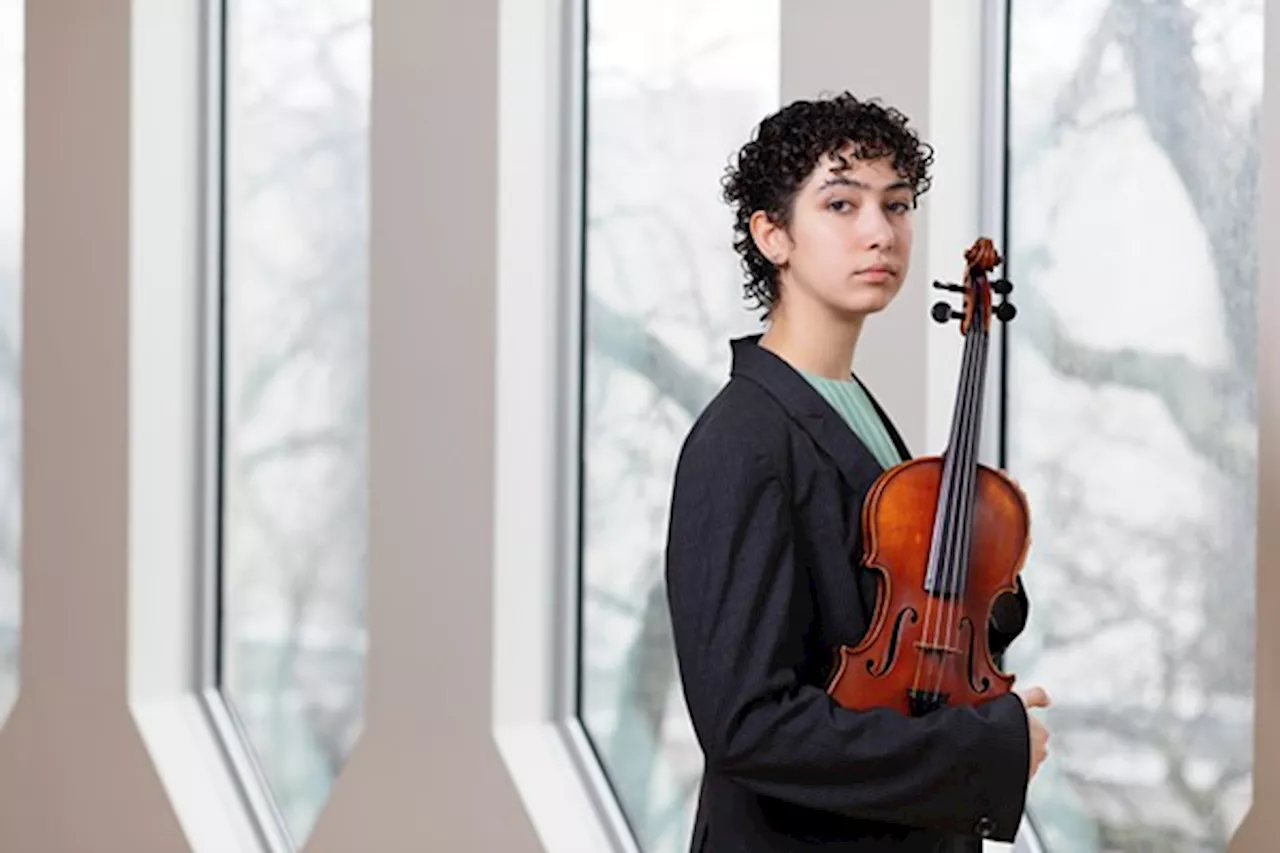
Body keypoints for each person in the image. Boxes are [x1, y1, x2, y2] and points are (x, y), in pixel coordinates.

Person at [663, 92, 1051, 852]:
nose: (880, 232)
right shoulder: (740, 440)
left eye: (897, 205)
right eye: (841, 203)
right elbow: (748, 725)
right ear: (772, 235)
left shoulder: (851, 408)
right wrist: (985, 750)